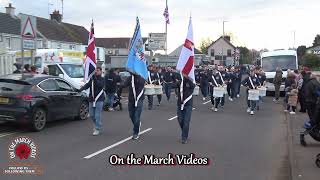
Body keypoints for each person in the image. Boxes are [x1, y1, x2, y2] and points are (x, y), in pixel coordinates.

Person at [78, 67, 105, 136]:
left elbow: (100, 85)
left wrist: (94, 78)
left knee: (97, 115)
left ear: (101, 72)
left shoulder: (102, 79)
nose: (96, 72)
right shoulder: (92, 79)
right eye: (96, 70)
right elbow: (87, 85)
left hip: (99, 99)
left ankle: (97, 128)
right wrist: (80, 89)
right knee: (92, 115)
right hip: (91, 99)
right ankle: (98, 124)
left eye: (98, 70)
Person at [122, 73, 145, 140]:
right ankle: (137, 124)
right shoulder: (130, 78)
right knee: (131, 115)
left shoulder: (141, 78)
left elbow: (141, 85)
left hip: (139, 99)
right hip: (131, 99)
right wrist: (120, 84)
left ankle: (136, 132)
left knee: (136, 116)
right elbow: (124, 85)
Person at [176, 73, 195, 144]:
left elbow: (192, 86)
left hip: (188, 104)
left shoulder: (191, 82)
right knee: (180, 120)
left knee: (186, 121)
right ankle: (184, 131)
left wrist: (187, 78)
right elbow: (174, 85)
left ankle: (184, 137)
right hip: (180, 104)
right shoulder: (180, 82)